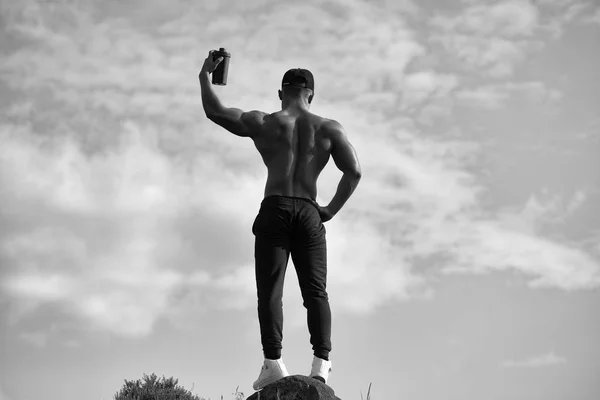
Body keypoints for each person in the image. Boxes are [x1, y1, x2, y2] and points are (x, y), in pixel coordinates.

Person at [199, 50, 362, 390]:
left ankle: (273, 363)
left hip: (274, 209)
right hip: (308, 211)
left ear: (280, 93)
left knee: (270, 291)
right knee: (316, 291)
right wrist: (329, 209)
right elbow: (354, 172)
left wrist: (205, 74)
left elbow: (215, 111)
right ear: (311, 94)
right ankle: (321, 363)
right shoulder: (329, 128)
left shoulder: (265, 122)